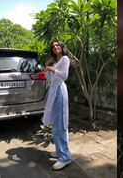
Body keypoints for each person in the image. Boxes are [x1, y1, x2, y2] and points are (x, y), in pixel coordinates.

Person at [43, 40, 72, 170]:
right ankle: (61, 151)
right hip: (53, 92)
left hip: (59, 91)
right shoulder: (55, 62)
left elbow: (64, 75)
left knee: (60, 124)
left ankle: (65, 157)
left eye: (57, 45)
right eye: (53, 46)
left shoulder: (65, 59)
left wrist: (52, 69)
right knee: (56, 124)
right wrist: (48, 65)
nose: (55, 47)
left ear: (62, 47)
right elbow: (49, 79)